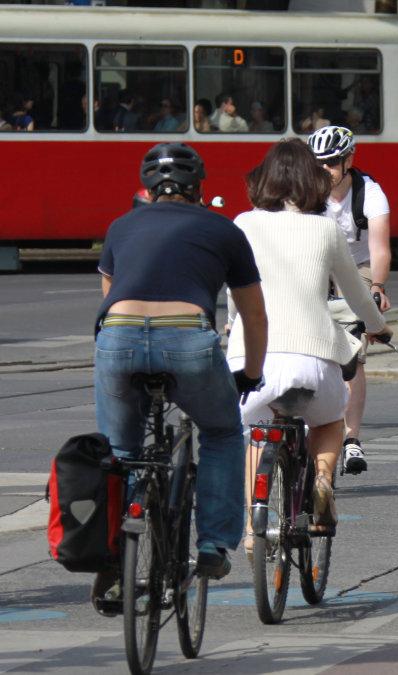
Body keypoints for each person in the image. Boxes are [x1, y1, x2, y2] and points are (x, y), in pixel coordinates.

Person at [92, 142, 267, 605]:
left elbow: (108, 300)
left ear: (147, 188)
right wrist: (250, 373)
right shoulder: (222, 229)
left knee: (120, 452)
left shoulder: (120, 226)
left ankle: (113, 561)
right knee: (223, 432)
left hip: (119, 338)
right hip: (187, 338)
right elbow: (253, 315)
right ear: (199, 188)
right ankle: (212, 543)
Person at [226, 139, 391, 553]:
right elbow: (356, 294)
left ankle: (252, 526)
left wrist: (231, 326)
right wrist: (378, 327)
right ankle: (321, 479)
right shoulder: (326, 229)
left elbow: (234, 293)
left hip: (253, 363)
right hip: (313, 359)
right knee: (330, 421)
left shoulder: (242, 224)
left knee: (256, 436)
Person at [307, 125, 392, 474]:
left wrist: (378, 288)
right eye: (319, 163)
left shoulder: (370, 193)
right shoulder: (308, 191)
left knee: (352, 354)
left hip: (356, 265)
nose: (324, 171)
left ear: (349, 160)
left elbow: (380, 248)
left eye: (331, 163)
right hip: (315, 261)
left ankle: (352, 440)